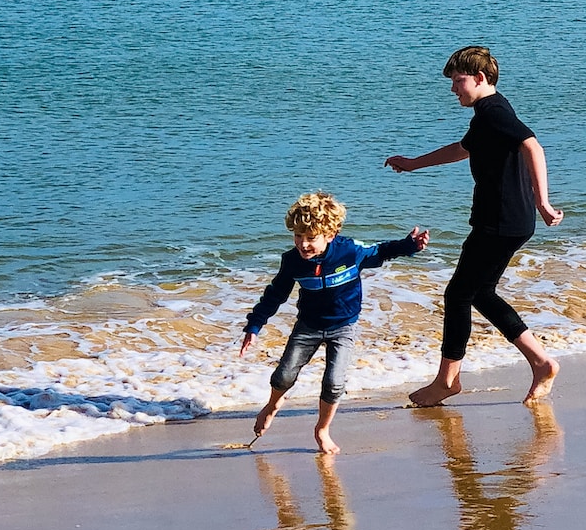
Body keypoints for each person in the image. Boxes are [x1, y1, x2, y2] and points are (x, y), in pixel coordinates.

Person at [385, 45, 563, 407]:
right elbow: (464, 148)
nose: (453, 89)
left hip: (499, 220)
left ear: (479, 78)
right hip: (510, 220)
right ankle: (541, 363)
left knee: (458, 295)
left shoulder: (494, 112)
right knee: (480, 293)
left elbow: (533, 146)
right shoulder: (489, 114)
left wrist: (543, 202)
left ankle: (447, 381)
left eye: (458, 81)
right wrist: (414, 163)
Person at [241, 190, 428, 454]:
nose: (303, 244)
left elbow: (380, 251)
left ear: (330, 235)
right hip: (308, 326)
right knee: (284, 375)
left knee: (334, 382)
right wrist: (254, 325)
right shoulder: (292, 261)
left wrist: (409, 246)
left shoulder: (349, 251)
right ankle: (272, 406)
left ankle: (322, 429)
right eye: (298, 236)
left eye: (311, 238)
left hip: (343, 327)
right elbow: (275, 295)